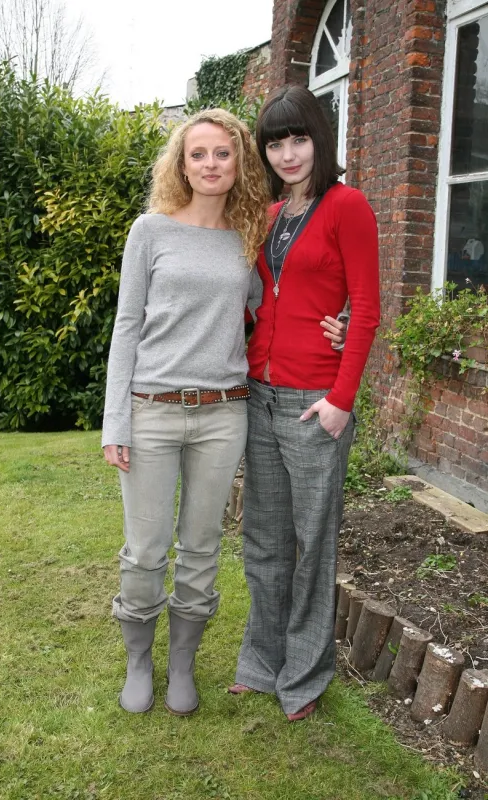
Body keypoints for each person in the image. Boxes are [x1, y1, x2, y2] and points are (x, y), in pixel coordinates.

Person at [102, 108, 271, 716]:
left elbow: (268, 309)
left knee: (201, 548)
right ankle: (140, 660)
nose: (209, 165)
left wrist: (339, 325)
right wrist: (114, 421)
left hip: (223, 414)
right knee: (145, 549)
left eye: (222, 154)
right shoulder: (149, 230)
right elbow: (126, 328)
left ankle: (183, 665)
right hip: (152, 410)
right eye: (198, 154)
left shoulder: (248, 237)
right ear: (181, 162)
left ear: (239, 163)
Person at [229, 85, 381, 722]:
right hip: (260, 396)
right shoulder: (266, 212)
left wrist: (341, 400)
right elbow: (256, 297)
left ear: (320, 139)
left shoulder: (347, 206)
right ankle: (261, 664)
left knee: (312, 543)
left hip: (314, 403)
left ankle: (305, 677)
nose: (287, 153)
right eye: (275, 143)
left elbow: (367, 308)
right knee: (263, 541)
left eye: (298, 139)